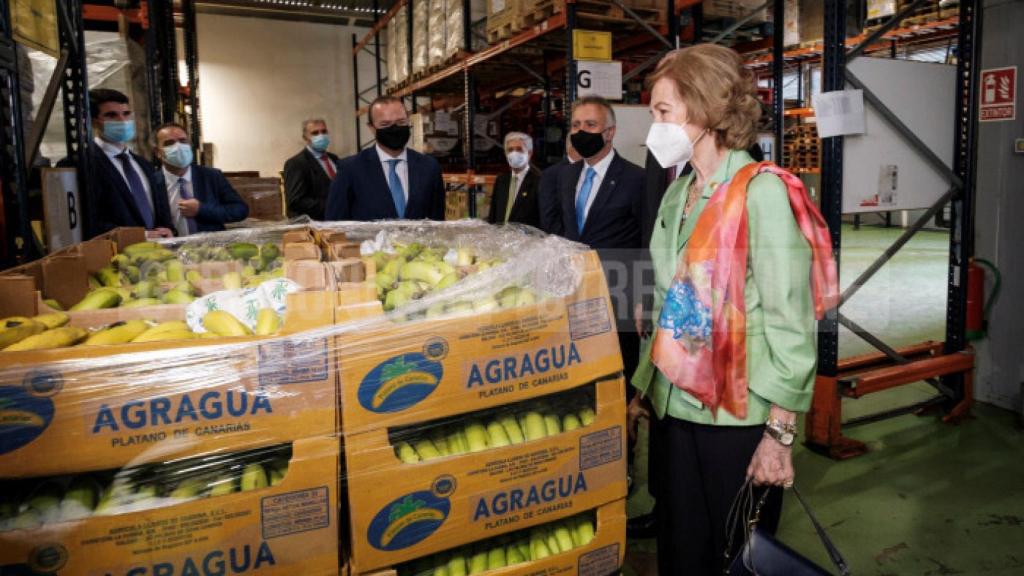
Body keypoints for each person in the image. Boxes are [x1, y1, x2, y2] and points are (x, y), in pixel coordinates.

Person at [629, 44, 838, 575]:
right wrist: (643, 387)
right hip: (676, 410)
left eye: (663, 112)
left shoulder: (761, 193)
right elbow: (669, 303)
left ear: (705, 111)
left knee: (736, 559)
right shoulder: (680, 194)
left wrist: (779, 435)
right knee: (683, 551)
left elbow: (791, 323)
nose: (654, 125)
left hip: (739, 418)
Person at [554, 95, 645, 409]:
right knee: (581, 380)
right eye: (576, 125)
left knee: (617, 380)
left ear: (610, 132)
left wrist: (641, 300)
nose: (582, 132)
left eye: (590, 125)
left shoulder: (636, 179)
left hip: (617, 299)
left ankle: (625, 452)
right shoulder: (566, 177)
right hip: (574, 295)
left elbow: (646, 242)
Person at [325, 96, 445, 221]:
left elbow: (438, 222)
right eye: (385, 124)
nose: (395, 128)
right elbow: (334, 225)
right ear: (371, 128)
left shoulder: (429, 167)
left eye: (401, 122)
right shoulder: (349, 169)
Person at [84, 89, 174, 239]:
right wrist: (139, 235)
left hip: (156, 251)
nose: (122, 120)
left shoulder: (143, 164)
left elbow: (160, 210)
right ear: (93, 122)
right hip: (112, 254)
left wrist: (168, 229)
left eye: (126, 114)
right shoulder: (84, 163)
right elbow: (88, 220)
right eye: (111, 115)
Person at [149, 123, 249, 235]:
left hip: (212, 248)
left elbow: (240, 210)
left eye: (183, 141)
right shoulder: (151, 182)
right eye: (169, 143)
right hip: (170, 250)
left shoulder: (211, 176)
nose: (178, 147)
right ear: (157, 152)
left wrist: (201, 209)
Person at [283, 118, 340, 220]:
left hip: (338, 220)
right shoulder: (296, 164)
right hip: (314, 225)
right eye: (315, 133)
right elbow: (295, 201)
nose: (321, 136)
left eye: (324, 131)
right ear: (305, 138)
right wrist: (332, 205)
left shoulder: (334, 159)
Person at [487, 131, 540, 227]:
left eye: (519, 149)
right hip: (500, 238)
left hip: (528, 240)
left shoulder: (539, 181)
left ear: (529, 153)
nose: (514, 153)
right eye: (510, 150)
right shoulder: (501, 180)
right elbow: (493, 215)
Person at [538, 139, 580, 235]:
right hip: (565, 243)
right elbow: (549, 218)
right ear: (571, 147)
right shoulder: (552, 174)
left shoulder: (591, 172)